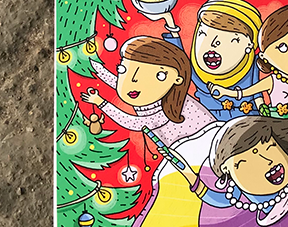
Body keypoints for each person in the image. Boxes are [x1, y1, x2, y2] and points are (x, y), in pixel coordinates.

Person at [80, 36, 214, 146]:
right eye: (122, 70)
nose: (134, 80)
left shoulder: (170, 105)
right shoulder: (153, 93)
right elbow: (125, 85)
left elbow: (133, 122)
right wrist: (95, 66)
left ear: (177, 79)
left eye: (153, 76)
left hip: (204, 147)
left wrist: (101, 102)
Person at [152, 0, 263, 121]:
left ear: (250, 45)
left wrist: (266, 115)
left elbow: (258, 95)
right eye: (203, 34)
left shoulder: (254, 66)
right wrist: (169, 20)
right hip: (208, 123)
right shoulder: (195, 71)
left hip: (248, 122)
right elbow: (178, 55)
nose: (213, 43)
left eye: (230, 38)